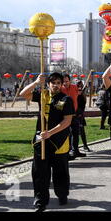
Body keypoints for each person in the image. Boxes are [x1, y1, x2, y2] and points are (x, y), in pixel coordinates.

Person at [19, 72, 74, 212]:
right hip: (41, 140)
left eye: (58, 83)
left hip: (59, 142)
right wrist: (36, 82)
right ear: (48, 84)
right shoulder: (42, 95)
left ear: (61, 85)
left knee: (60, 172)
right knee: (39, 172)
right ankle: (40, 201)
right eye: (53, 82)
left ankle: (62, 194)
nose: (55, 85)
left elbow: (67, 121)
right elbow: (23, 94)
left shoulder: (66, 99)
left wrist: (50, 133)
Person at [61, 74, 85, 159]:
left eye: (67, 81)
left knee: (76, 133)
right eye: (63, 81)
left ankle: (76, 150)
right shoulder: (60, 89)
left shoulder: (74, 87)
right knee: (66, 134)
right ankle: (67, 152)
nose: (65, 83)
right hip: (65, 116)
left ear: (69, 81)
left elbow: (78, 95)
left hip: (74, 115)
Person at [76, 82, 91, 152]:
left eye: (81, 87)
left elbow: (82, 108)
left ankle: (85, 146)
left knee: (81, 131)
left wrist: (80, 115)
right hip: (73, 115)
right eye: (78, 87)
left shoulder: (82, 97)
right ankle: (74, 148)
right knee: (73, 133)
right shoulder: (74, 95)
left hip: (79, 115)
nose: (79, 88)